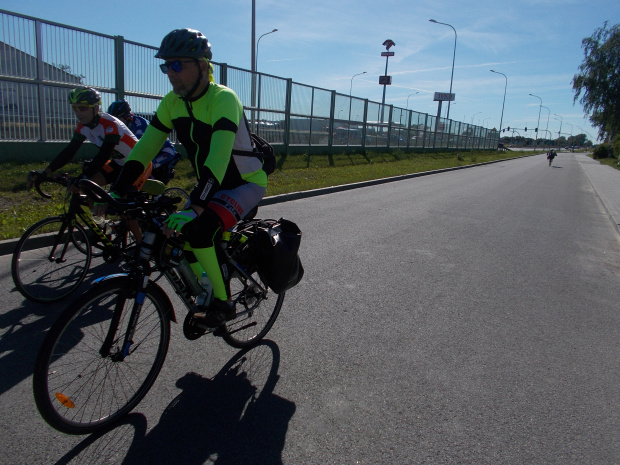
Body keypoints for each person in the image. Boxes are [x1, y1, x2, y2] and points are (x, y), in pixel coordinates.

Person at [111, 28, 268, 327]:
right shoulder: (172, 102)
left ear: (203, 65)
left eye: (178, 64)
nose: (171, 73)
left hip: (244, 184)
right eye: (166, 65)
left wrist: (196, 206)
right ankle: (207, 286)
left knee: (198, 230)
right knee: (177, 237)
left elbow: (218, 159)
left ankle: (223, 304)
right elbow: (144, 150)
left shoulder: (223, 98)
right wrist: (118, 190)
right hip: (212, 184)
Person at [28, 87, 151, 191]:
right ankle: (97, 219)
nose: (78, 113)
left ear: (96, 109)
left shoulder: (110, 125)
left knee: (123, 204)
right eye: (75, 108)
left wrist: (83, 176)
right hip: (118, 163)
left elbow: (104, 155)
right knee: (86, 188)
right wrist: (45, 172)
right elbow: (69, 151)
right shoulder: (83, 126)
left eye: (82, 108)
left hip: (139, 164)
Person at [107, 99, 181, 184]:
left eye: (118, 118)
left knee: (144, 168)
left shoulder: (139, 123)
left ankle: (155, 192)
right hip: (152, 151)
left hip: (165, 151)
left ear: (126, 116)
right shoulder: (124, 125)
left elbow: (137, 146)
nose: (115, 122)